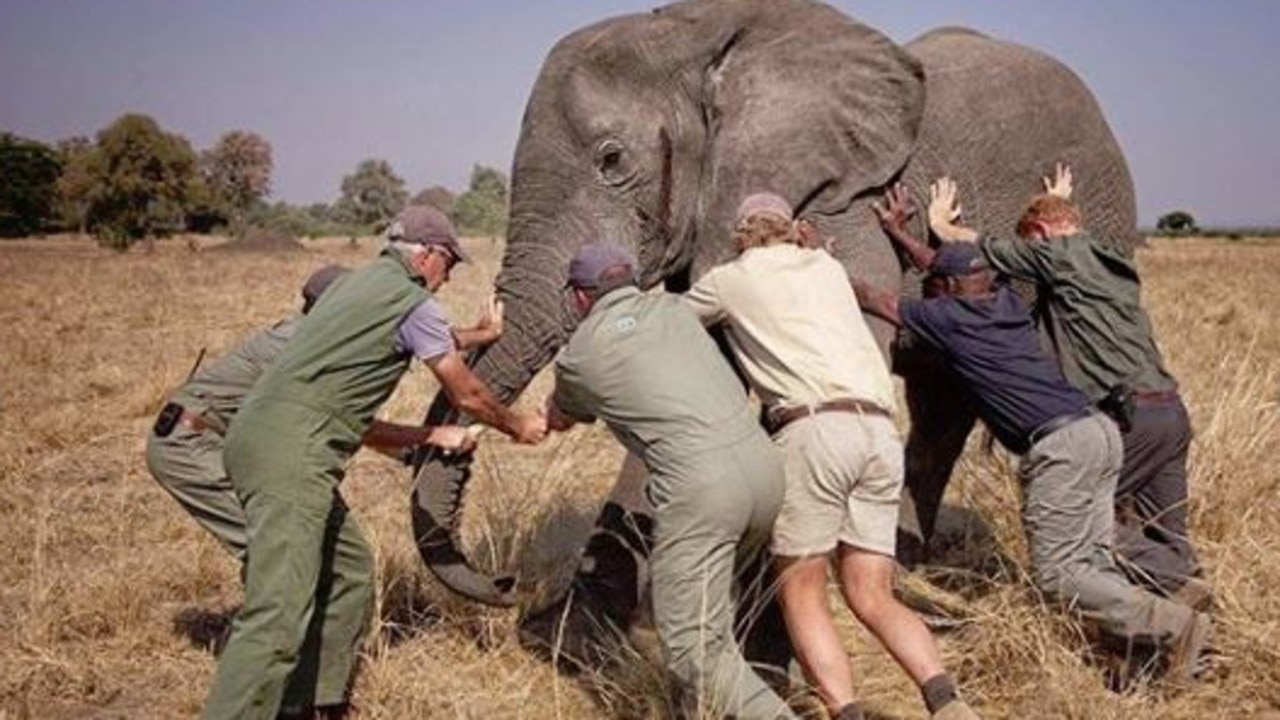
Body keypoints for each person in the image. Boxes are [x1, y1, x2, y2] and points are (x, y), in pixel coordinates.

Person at [202, 205, 547, 720]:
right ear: (428, 255)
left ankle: (312, 703)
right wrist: (518, 426)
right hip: (292, 452)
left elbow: (429, 332)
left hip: (264, 436)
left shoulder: (359, 287)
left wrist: (479, 334)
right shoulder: (410, 302)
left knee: (349, 570)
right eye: (450, 264)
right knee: (277, 612)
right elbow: (468, 394)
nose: (449, 276)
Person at [855, 186, 1212, 683]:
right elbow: (952, 267)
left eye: (937, 287)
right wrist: (903, 234)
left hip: (1063, 443)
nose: (932, 293)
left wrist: (818, 263)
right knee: (1092, 558)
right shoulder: (1004, 303)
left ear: (951, 291)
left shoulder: (951, 319)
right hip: (1100, 430)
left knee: (1059, 574)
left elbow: (877, 300)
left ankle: (1175, 623)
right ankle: (1141, 653)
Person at [683, 193, 975, 720]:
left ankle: (845, 711)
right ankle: (948, 703)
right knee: (873, 594)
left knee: (803, 589)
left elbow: (673, 323)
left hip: (813, 430)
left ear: (742, 235)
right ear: (791, 229)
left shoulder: (732, 277)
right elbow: (819, 260)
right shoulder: (827, 268)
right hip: (880, 433)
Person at [928, 166, 1209, 608]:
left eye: (1033, 240)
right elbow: (1067, 235)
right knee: (1169, 534)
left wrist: (942, 223)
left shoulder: (1055, 255)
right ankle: (1194, 630)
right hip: (1171, 415)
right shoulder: (1107, 257)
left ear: (1040, 233)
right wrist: (1057, 201)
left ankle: (1165, 597)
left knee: (1083, 518)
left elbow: (985, 247)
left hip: (1130, 418)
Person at [545, 242, 796, 719]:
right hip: (764, 470)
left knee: (691, 647)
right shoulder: (674, 310)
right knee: (710, 616)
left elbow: (563, 412)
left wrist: (539, 419)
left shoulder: (582, 352)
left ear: (579, 298)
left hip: (702, 489)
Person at [146, 264, 477, 564]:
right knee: (278, 551)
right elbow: (351, 425)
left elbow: (411, 337)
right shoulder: (300, 350)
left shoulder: (311, 338)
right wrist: (430, 436)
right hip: (191, 443)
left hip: (221, 439)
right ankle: (270, 629)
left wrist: (479, 335)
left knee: (299, 548)